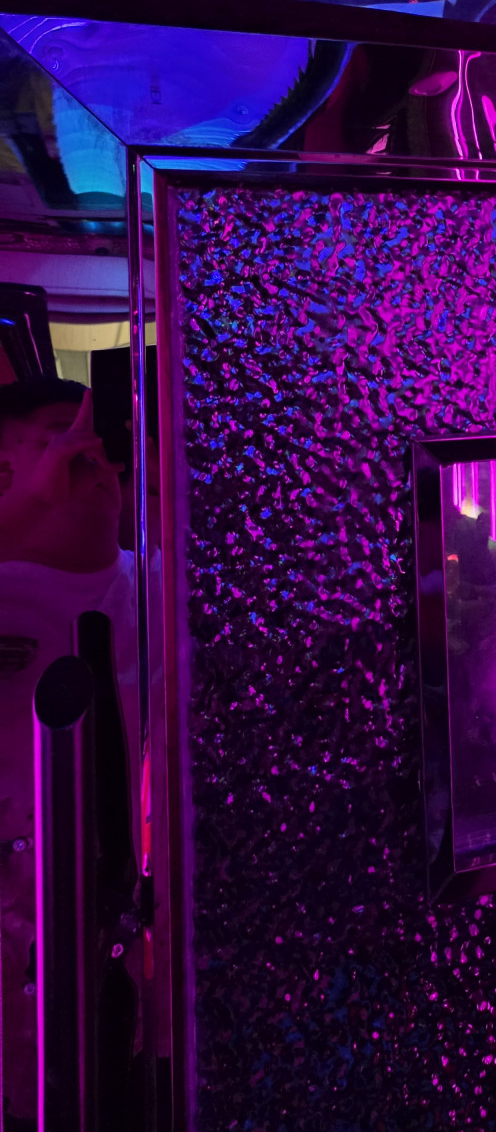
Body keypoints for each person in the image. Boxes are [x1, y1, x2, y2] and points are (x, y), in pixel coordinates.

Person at [0, 377, 139, 1129]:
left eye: (100, 435)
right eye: (63, 431)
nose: (90, 453)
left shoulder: (168, 587)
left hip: (139, 1000)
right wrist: (29, 507)